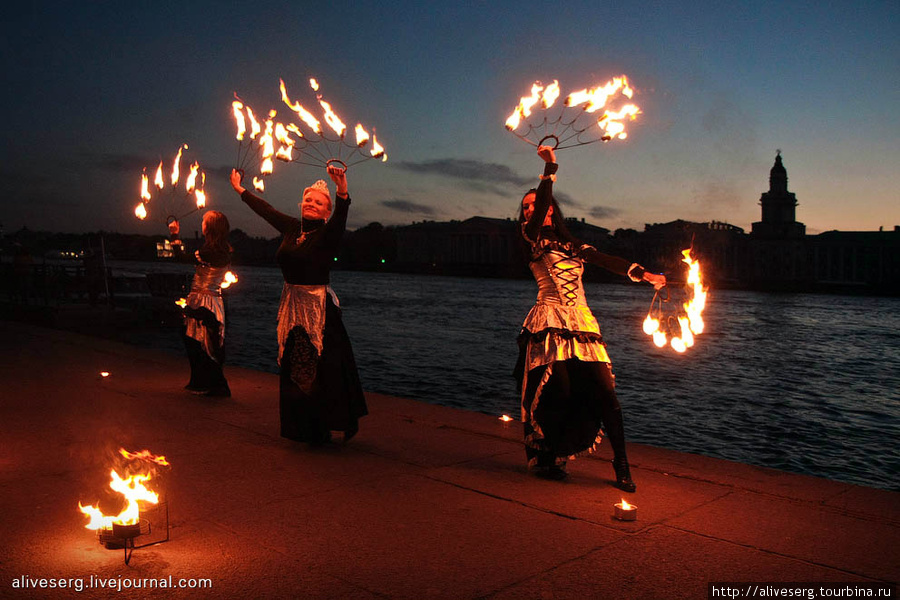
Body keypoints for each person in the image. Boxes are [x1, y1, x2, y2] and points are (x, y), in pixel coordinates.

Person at [514, 145, 665, 490]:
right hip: (549, 320)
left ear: (553, 209)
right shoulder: (531, 238)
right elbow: (536, 219)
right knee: (561, 388)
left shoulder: (573, 245)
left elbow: (607, 260)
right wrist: (550, 169)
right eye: (526, 207)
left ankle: (622, 464)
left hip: (582, 323)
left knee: (606, 393)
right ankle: (550, 453)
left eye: (537, 204)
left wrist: (646, 275)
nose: (532, 210)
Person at [229, 165, 367, 444]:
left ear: (326, 211)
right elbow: (266, 210)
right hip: (292, 307)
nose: (311, 204)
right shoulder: (292, 228)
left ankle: (322, 426)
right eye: (308, 200)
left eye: (318, 202)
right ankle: (302, 426)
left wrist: (341, 188)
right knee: (295, 365)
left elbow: (342, 215)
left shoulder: (328, 233)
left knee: (320, 367)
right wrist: (240, 190)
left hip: (318, 309)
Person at [182, 210, 233, 397]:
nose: (201, 222)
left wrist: (173, 237)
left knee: (201, 342)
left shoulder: (209, 252)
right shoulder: (223, 249)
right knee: (208, 342)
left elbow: (181, 257)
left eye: (204, 220)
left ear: (210, 227)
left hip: (204, 301)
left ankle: (209, 383)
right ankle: (206, 382)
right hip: (212, 301)